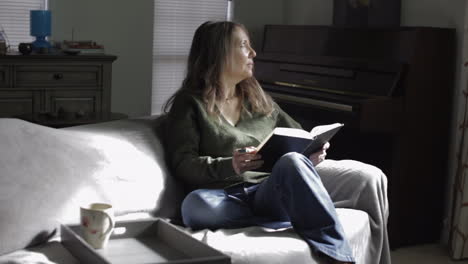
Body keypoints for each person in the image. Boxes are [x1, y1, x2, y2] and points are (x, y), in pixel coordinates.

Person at [163, 21, 390, 264]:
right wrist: (233, 165)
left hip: (269, 190)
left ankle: (339, 256)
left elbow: (300, 136)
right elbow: (183, 163)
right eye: (243, 46)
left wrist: (310, 154)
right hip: (224, 197)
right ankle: (286, 213)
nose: (253, 53)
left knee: (292, 161)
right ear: (219, 52)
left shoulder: (258, 99)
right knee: (194, 206)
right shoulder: (189, 104)